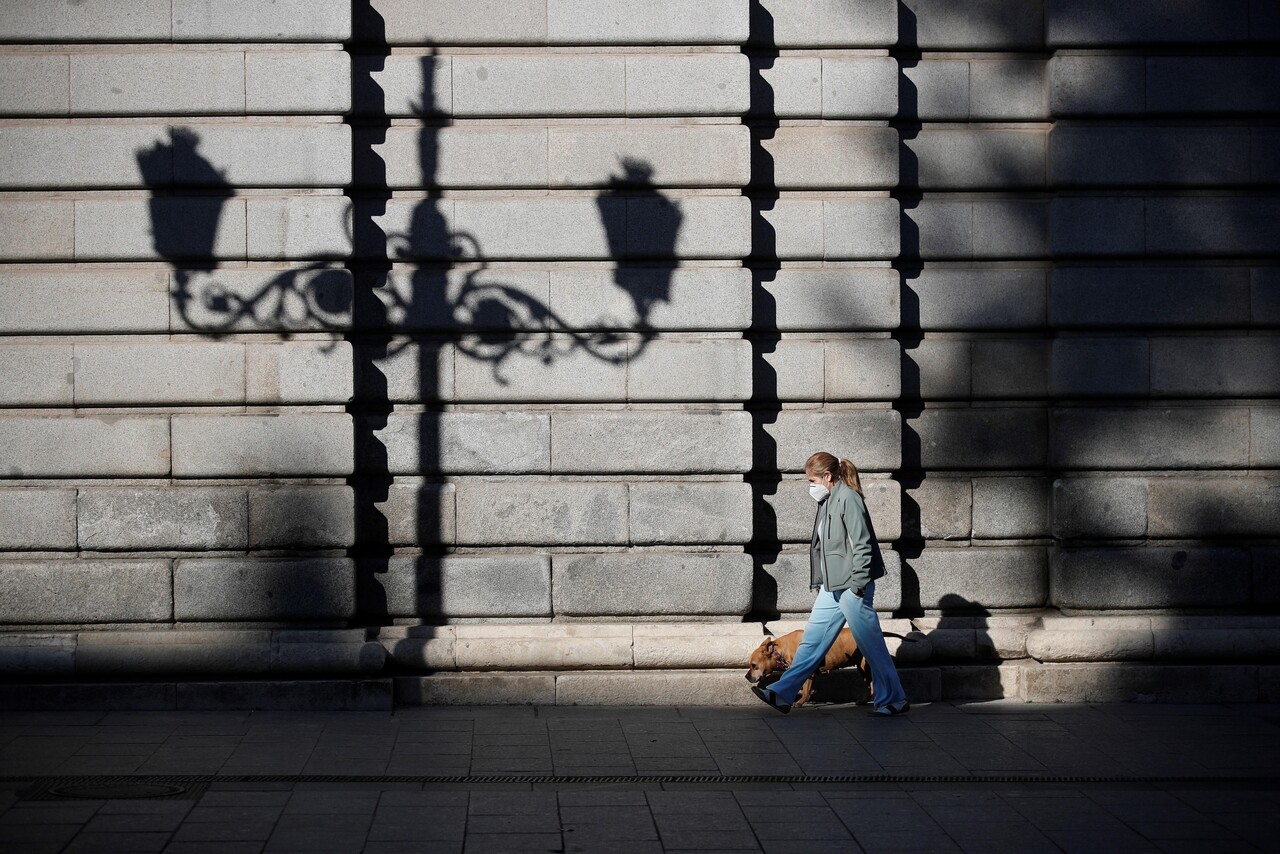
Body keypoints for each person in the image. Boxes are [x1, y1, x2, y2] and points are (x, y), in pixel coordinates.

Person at [751, 451, 910, 716]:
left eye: (812, 481)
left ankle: (894, 699)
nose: (810, 486)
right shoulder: (828, 502)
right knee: (811, 642)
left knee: (871, 646)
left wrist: (858, 584)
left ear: (827, 477)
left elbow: (862, 544)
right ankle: (782, 694)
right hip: (832, 586)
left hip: (851, 586)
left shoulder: (848, 499)